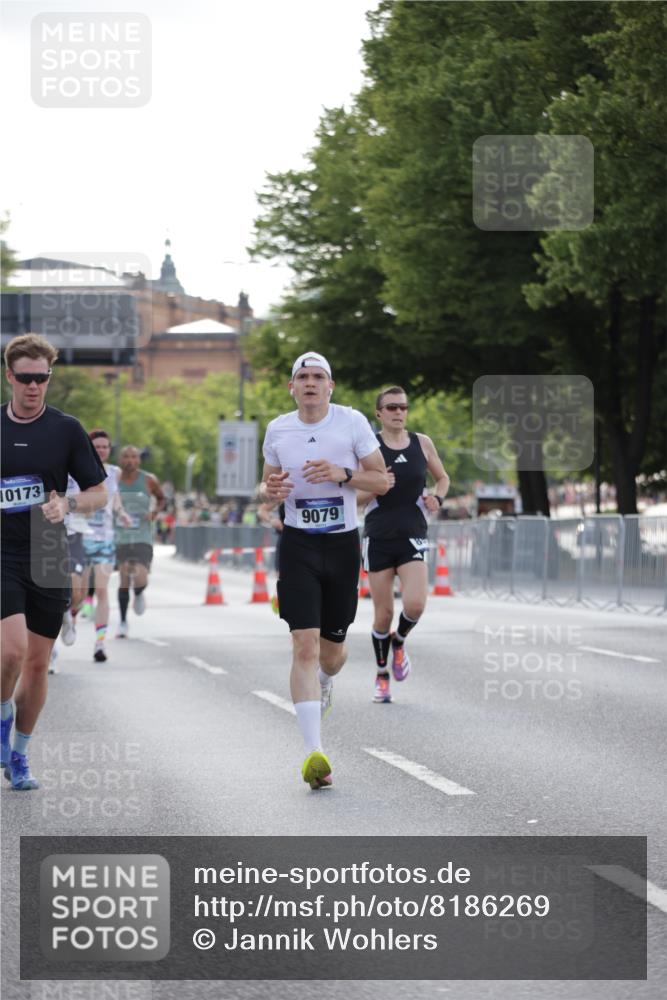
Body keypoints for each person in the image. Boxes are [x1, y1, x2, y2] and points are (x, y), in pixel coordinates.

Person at [260, 351, 389, 790]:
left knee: (331, 654)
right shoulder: (278, 429)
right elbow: (266, 489)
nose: (310, 383)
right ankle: (315, 753)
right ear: (291, 387)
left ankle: (326, 683)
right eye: (303, 376)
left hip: (341, 545)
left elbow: (382, 481)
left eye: (318, 376)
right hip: (297, 544)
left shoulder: (350, 422)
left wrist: (342, 473)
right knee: (304, 646)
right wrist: (270, 491)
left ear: (330, 386)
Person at [1, 334, 106, 790]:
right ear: (9, 377)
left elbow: (100, 493)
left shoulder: (66, 429)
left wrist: (69, 506)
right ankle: (3, 723)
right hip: (1, 551)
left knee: (39, 664)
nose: (33, 387)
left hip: (47, 549)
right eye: (25, 378)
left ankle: (19, 755)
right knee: (11, 651)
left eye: (41, 378)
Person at [358, 386, 450, 704]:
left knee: (415, 605)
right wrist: (376, 487)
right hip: (379, 536)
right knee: (382, 614)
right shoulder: (369, 450)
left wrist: (436, 496)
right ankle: (382, 675)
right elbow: (354, 499)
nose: (399, 412)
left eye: (403, 407)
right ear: (379, 414)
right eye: (392, 407)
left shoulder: (422, 443)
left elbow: (443, 478)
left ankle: (400, 641)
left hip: (413, 532)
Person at [83, 430, 130, 662]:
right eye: (97, 446)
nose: (101, 450)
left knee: (102, 590)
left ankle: (99, 644)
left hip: (105, 540)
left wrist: (122, 514)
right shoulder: (77, 469)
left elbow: (115, 498)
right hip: (78, 538)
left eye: (105, 446)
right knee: (75, 594)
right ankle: (71, 613)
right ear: (89, 448)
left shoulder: (114, 473)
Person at [114, 445, 165, 638]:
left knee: (141, 577)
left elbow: (161, 499)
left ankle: (139, 592)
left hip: (143, 536)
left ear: (139, 460)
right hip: (121, 536)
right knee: (125, 578)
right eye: (126, 457)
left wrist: (154, 512)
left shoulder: (149, 480)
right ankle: (123, 621)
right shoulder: (114, 480)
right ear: (120, 460)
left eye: (133, 457)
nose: (130, 461)